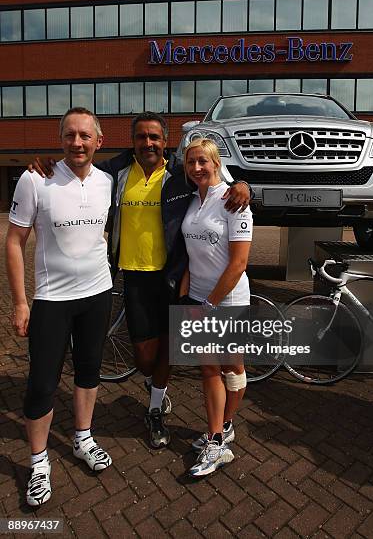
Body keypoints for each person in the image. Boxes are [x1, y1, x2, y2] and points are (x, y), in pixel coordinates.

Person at [29, 111, 251, 449]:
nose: (148, 143)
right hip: (133, 277)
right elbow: (77, 166)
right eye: (141, 137)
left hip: (173, 279)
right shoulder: (114, 172)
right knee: (144, 356)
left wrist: (243, 185)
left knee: (171, 351)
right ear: (132, 141)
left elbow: (218, 176)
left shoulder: (181, 172)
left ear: (165, 141)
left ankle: (155, 409)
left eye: (154, 137)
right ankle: (155, 389)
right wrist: (44, 163)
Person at [6, 107, 113, 507]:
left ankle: (83, 438)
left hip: (98, 293)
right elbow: (14, 242)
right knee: (41, 385)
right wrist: (20, 301)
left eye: (85, 135)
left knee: (88, 372)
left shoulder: (107, 181)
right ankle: (38, 463)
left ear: (98, 141)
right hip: (52, 300)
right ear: (60, 139)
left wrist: (235, 179)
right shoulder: (36, 179)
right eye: (69, 135)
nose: (77, 142)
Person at [179, 138, 253, 477]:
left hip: (227, 300)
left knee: (232, 368)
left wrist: (209, 304)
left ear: (216, 163)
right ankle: (218, 434)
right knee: (208, 369)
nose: (197, 168)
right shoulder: (194, 200)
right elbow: (192, 257)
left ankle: (220, 434)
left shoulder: (234, 201)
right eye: (191, 162)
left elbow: (238, 264)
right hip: (197, 298)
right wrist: (188, 300)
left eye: (203, 162)